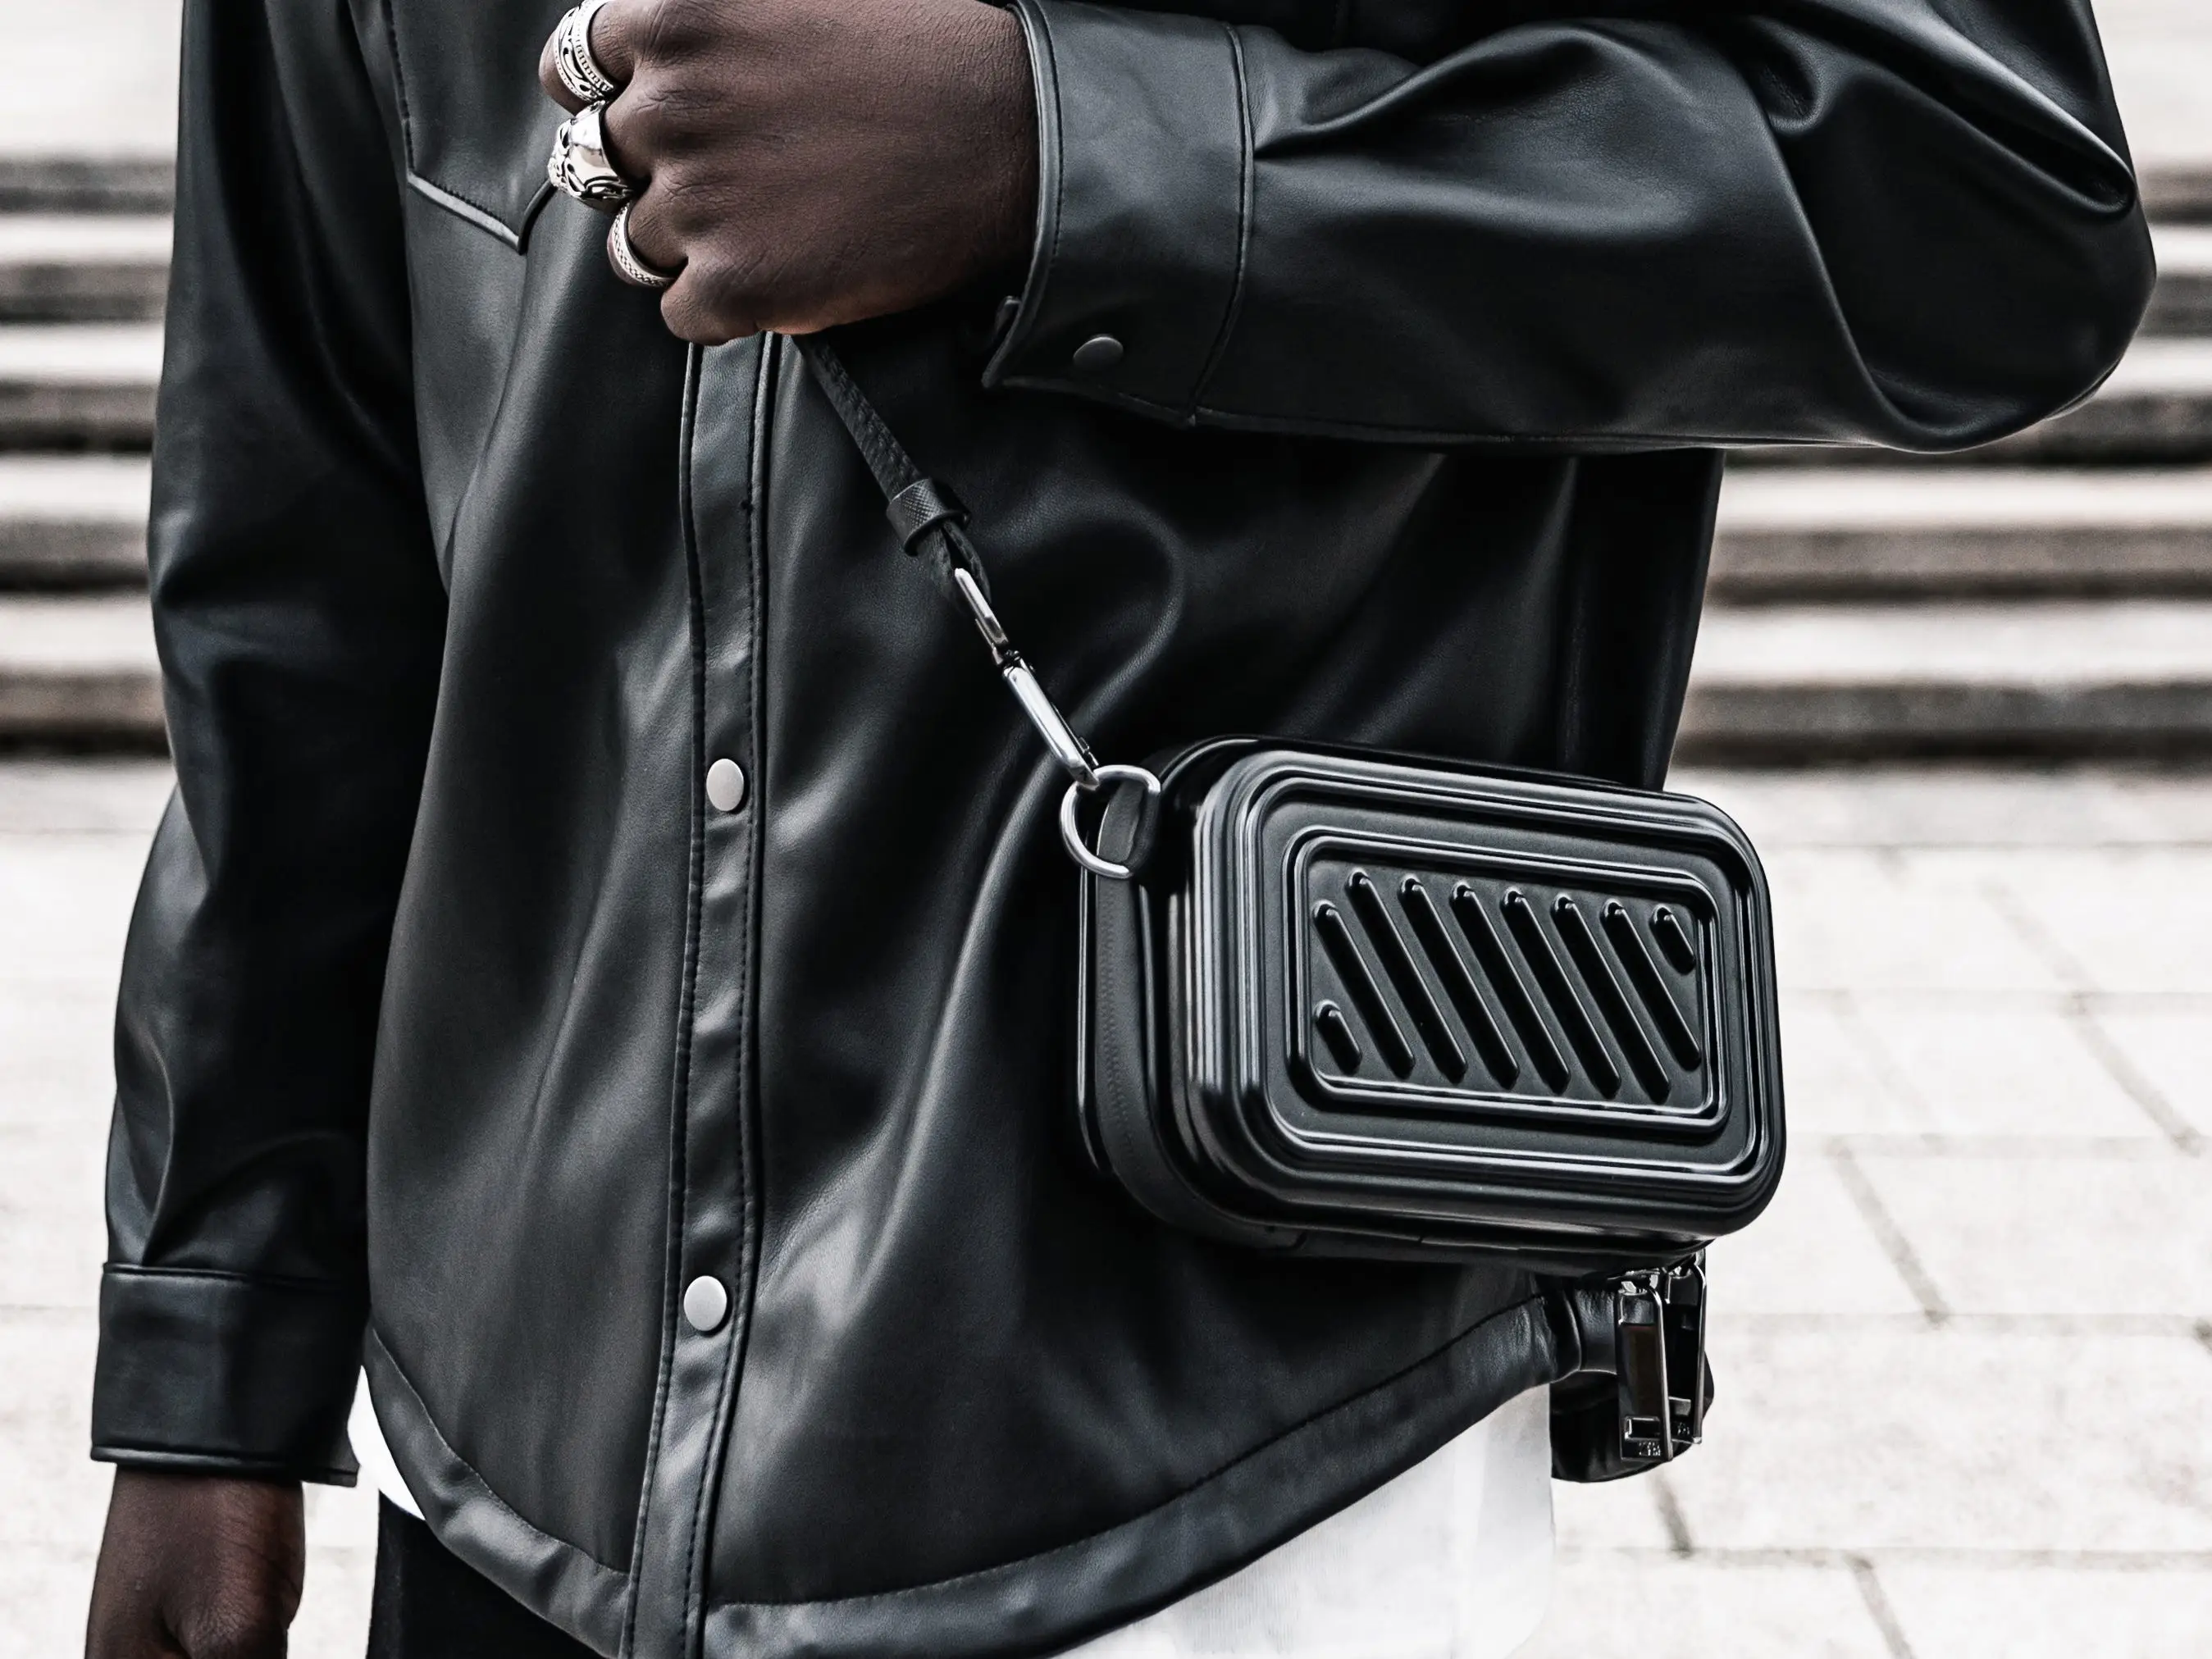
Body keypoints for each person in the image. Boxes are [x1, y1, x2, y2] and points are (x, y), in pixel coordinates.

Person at [84, 0, 2149, 1653]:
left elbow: (1981, 192)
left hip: (1241, 1449)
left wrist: (1065, 159)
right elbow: (299, 567)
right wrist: (208, 1367)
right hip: (521, 1446)